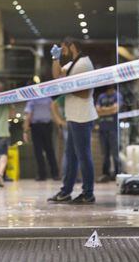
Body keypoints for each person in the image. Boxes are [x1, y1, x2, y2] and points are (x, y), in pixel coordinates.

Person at [48, 37, 98, 204]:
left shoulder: (84, 64)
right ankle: (66, 191)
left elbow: (85, 93)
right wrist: (56, 59)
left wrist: (65, 87)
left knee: (83, 156)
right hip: (74, 116)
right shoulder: (74, 64)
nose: (63, 52)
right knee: (71, 157)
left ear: (72, 46)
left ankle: (88, 193)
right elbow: (57, 76)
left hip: (82, 117)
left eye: (63, 49)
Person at [23, 97, 60, 181]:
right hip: (46, 126)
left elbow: (28, 116)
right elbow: (54, 113)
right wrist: (58, 126)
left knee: (38, 151)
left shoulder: (31, 100)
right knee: (50, 150)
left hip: (37, 126)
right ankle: (55, 174)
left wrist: (25, 131)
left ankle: (42, 175)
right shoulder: (48, 99)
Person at [96, 85, 122, 182]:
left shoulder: (117, 95)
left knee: (115, 153)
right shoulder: (101, 97)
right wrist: (109, 110)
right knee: (105, 154)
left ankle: (117, 173)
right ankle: (105, 174)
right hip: (103, 129)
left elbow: (116, 109)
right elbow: (97, 111)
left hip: (113, 129)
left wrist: (103, 110)